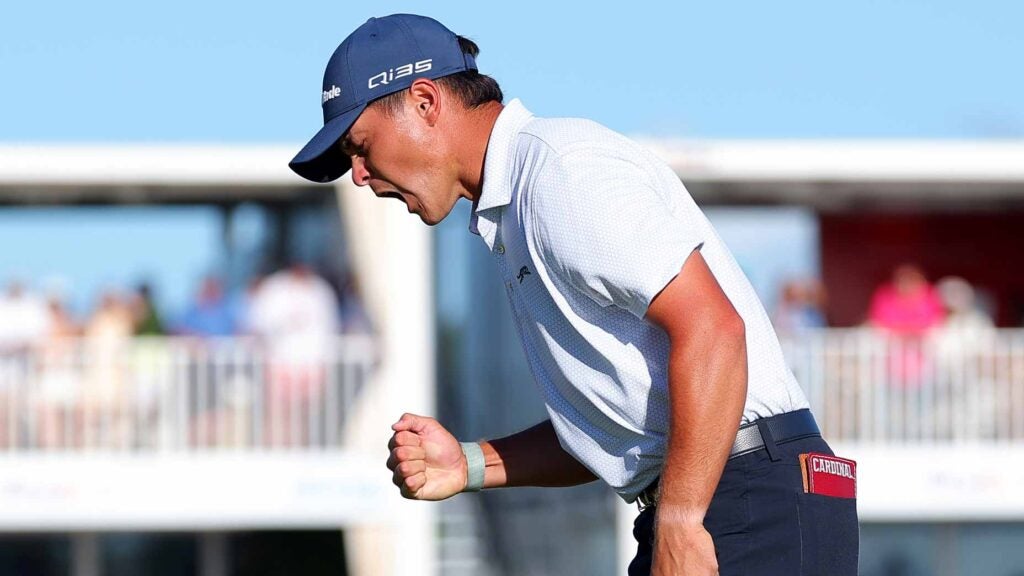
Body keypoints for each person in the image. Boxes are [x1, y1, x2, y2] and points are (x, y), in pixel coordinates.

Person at [290, 14, 858, 575]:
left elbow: (713, 330)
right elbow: (614, 432)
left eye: (360, 146)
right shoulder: (520, 206)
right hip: (727, 495)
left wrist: (683, 522)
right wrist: (467, 464)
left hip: (747, 500)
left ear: (424, 101)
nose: (358, 175)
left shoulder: (559, 175)